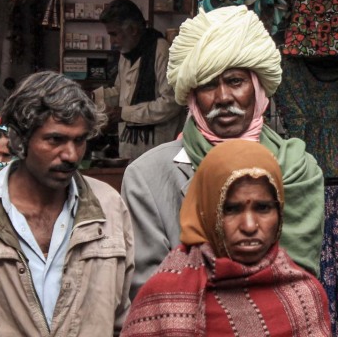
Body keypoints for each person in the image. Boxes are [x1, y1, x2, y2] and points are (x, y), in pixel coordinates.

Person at [122, 5, 324, 299]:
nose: (223, 97)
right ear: (192, 96)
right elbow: (153, 295)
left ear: (257, 88)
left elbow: (299, 283)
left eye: (235, 81)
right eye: (207, 84)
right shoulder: (147, 176)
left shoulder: (298, 168)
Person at [0, 71, 134, 336]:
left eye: (79, 140)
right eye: (55, 140)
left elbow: (122, 314)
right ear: (19, 141)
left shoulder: (109, 208)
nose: (71, 154)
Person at [121, 140, 331, 336]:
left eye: (263, 208)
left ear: (280, 212)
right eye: (231, 209)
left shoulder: (304, 296)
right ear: (207, 213)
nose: (249, 226)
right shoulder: (163, 295)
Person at [93, 0, 186, 161]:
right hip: (130, 147)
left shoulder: (161, 51)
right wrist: (93, 97)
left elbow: (171, 103)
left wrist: (125, 113)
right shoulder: (127, 53)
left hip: (157, 149)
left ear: (133, 29)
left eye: (114, 34)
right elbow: (121, 91)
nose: (112, 41)